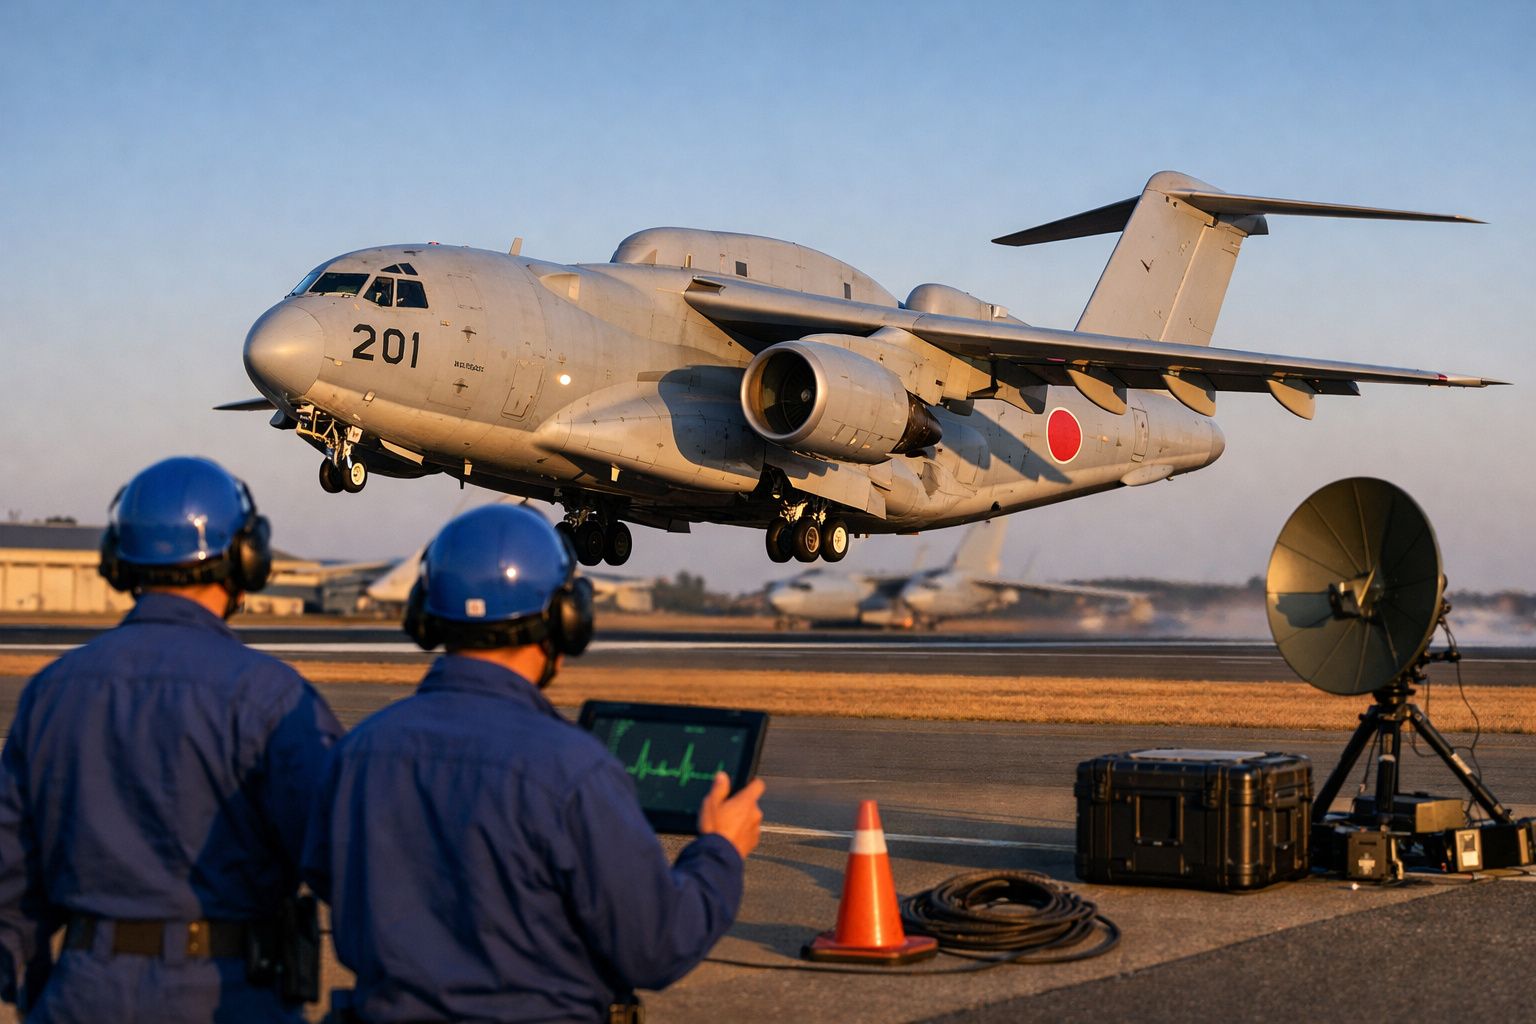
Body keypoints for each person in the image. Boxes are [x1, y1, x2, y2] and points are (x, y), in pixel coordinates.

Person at [304, 504, 765, 1023]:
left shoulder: (358, 751)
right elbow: (656, 947)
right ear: (565, 621)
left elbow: (327, 874)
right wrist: (720, 852)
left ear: (426, 615)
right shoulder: (573, 771)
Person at [0, 456, 343, 1022]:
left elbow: (11, 880)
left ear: (119, 559)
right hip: (227, 993)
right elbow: (339, 860)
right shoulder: (275, 699)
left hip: (82, 990)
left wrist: (44, 992)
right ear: (244, 558)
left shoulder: (51, 692)